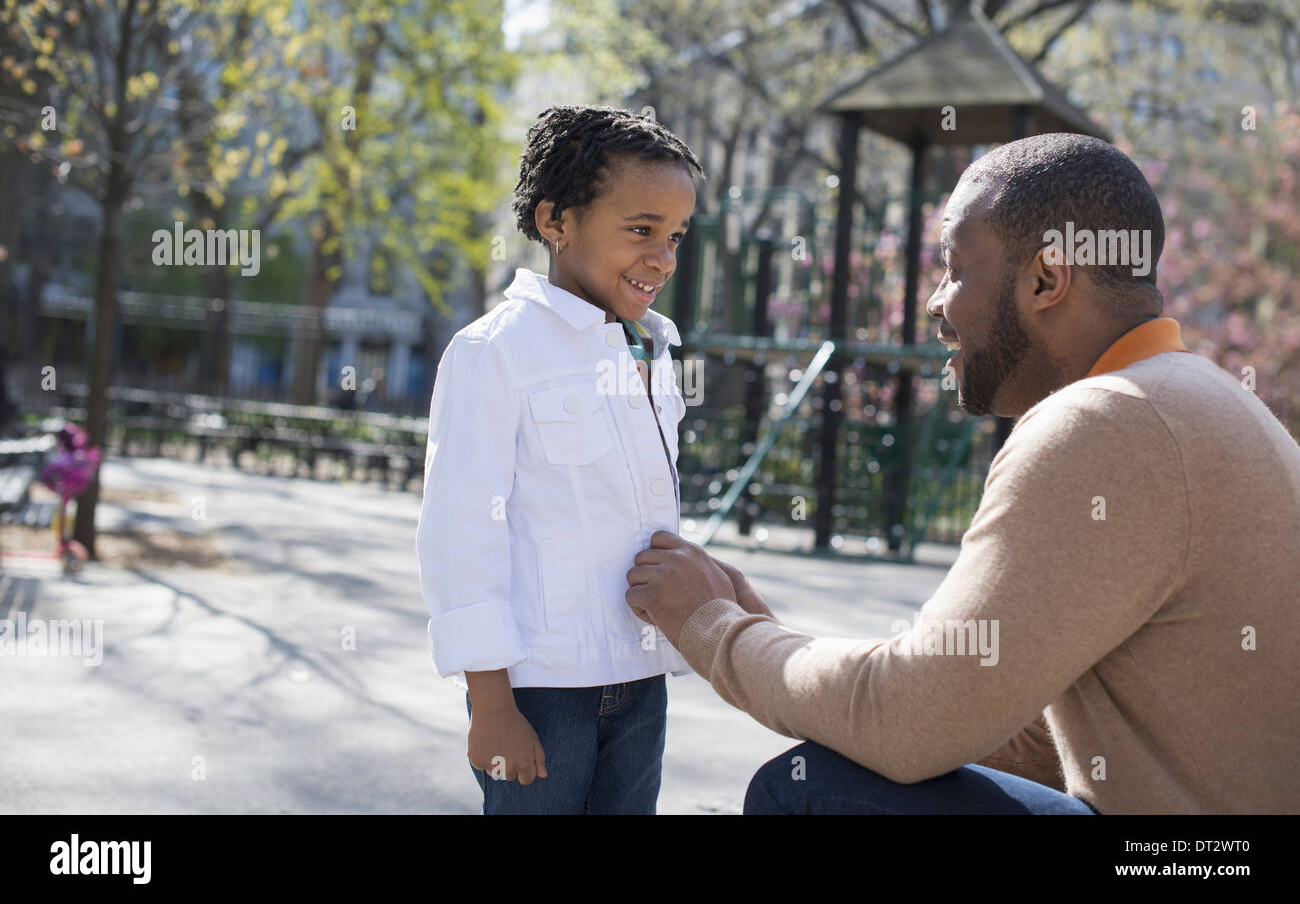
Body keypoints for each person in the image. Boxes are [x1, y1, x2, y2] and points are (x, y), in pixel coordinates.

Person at [624, 133, 1300, 814]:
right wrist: (801, 667)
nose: (935, 303)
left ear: (1046, 279)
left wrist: (710, 625)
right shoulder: (1198, 399)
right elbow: (986, 722)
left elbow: (905, 724)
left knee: (812, 789)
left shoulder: (1104, 422)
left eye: (955, 271)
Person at [416, 104, 704, 814]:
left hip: (642, 678)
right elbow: (459, 534)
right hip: (539, 690)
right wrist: (491, 702)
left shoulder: (654, 348)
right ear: (556, 221)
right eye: (641, 230)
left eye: (675, 236)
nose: (663, 257)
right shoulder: (495, 351)